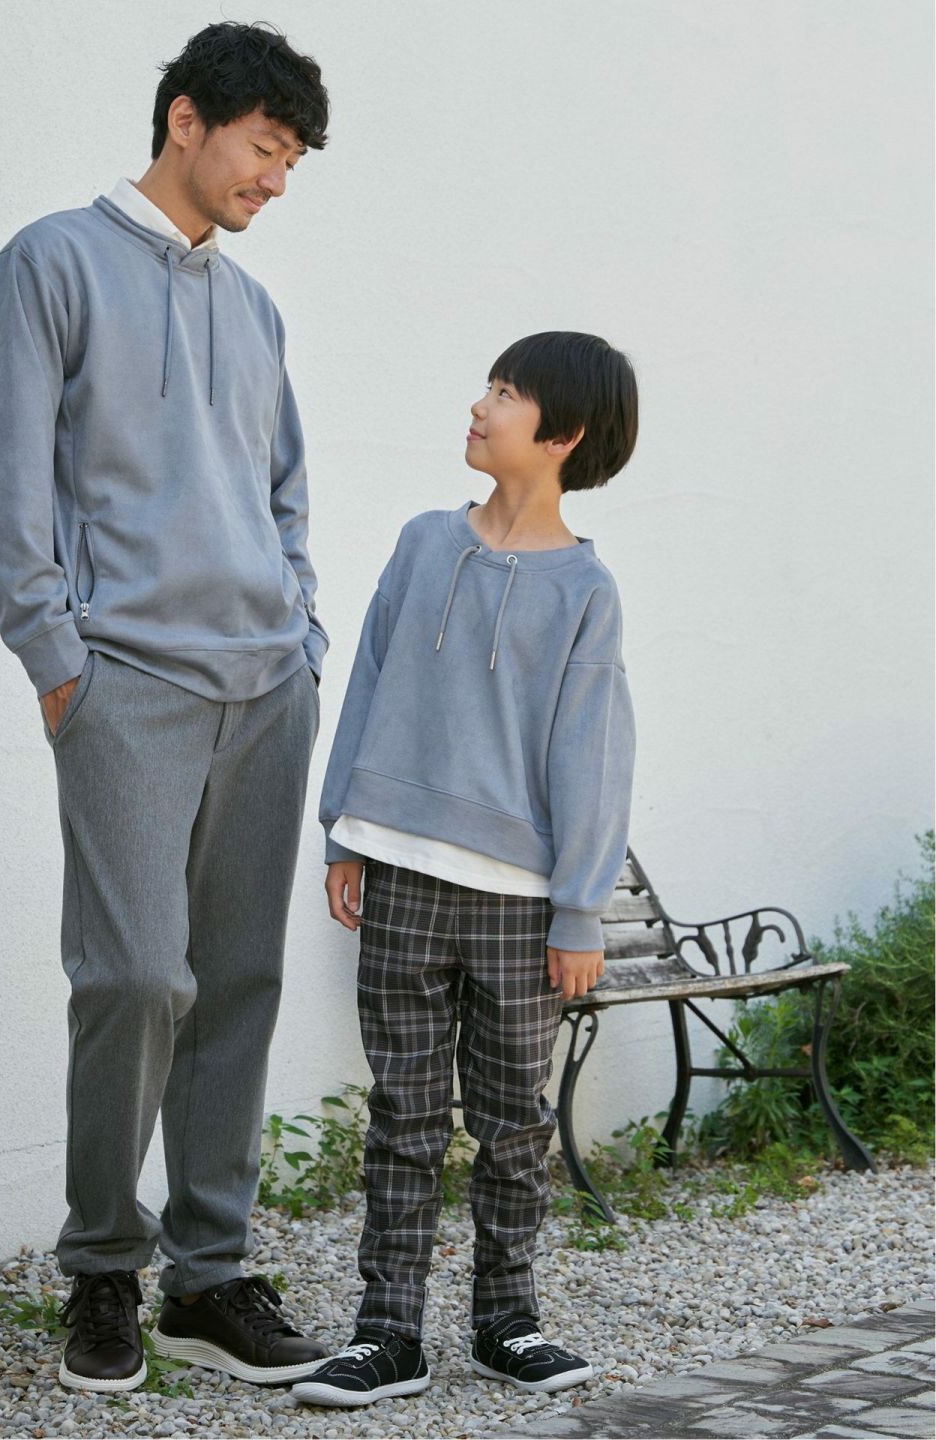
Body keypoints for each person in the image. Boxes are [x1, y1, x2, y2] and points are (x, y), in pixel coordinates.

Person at [0, 21, 332, 1394]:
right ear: (186, 119)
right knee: (132, 978)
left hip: (267, 686)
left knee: (237, 982)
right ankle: (104, 1268)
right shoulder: (50, 263)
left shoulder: (255, 307)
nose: (274, 181)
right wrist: (58, 661)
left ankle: (209, 1278)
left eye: (289, 163)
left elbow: (284, 490)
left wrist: (302, 628)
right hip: (127, 682)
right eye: (264, 149)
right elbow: (1, 480)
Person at [295, 331, 639, 1407]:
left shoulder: (585, 590)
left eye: (507, 393)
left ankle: (506, 1321)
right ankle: (387, 1332)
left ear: (563, 434)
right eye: (487, 385)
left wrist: (580, 910)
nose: (481, 406)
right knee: (402, 1113)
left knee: (511, 1122)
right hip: (399, 870)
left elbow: (592, 755)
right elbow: (368, 678)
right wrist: (345, 828)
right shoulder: (422, 542)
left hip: (519, 902)